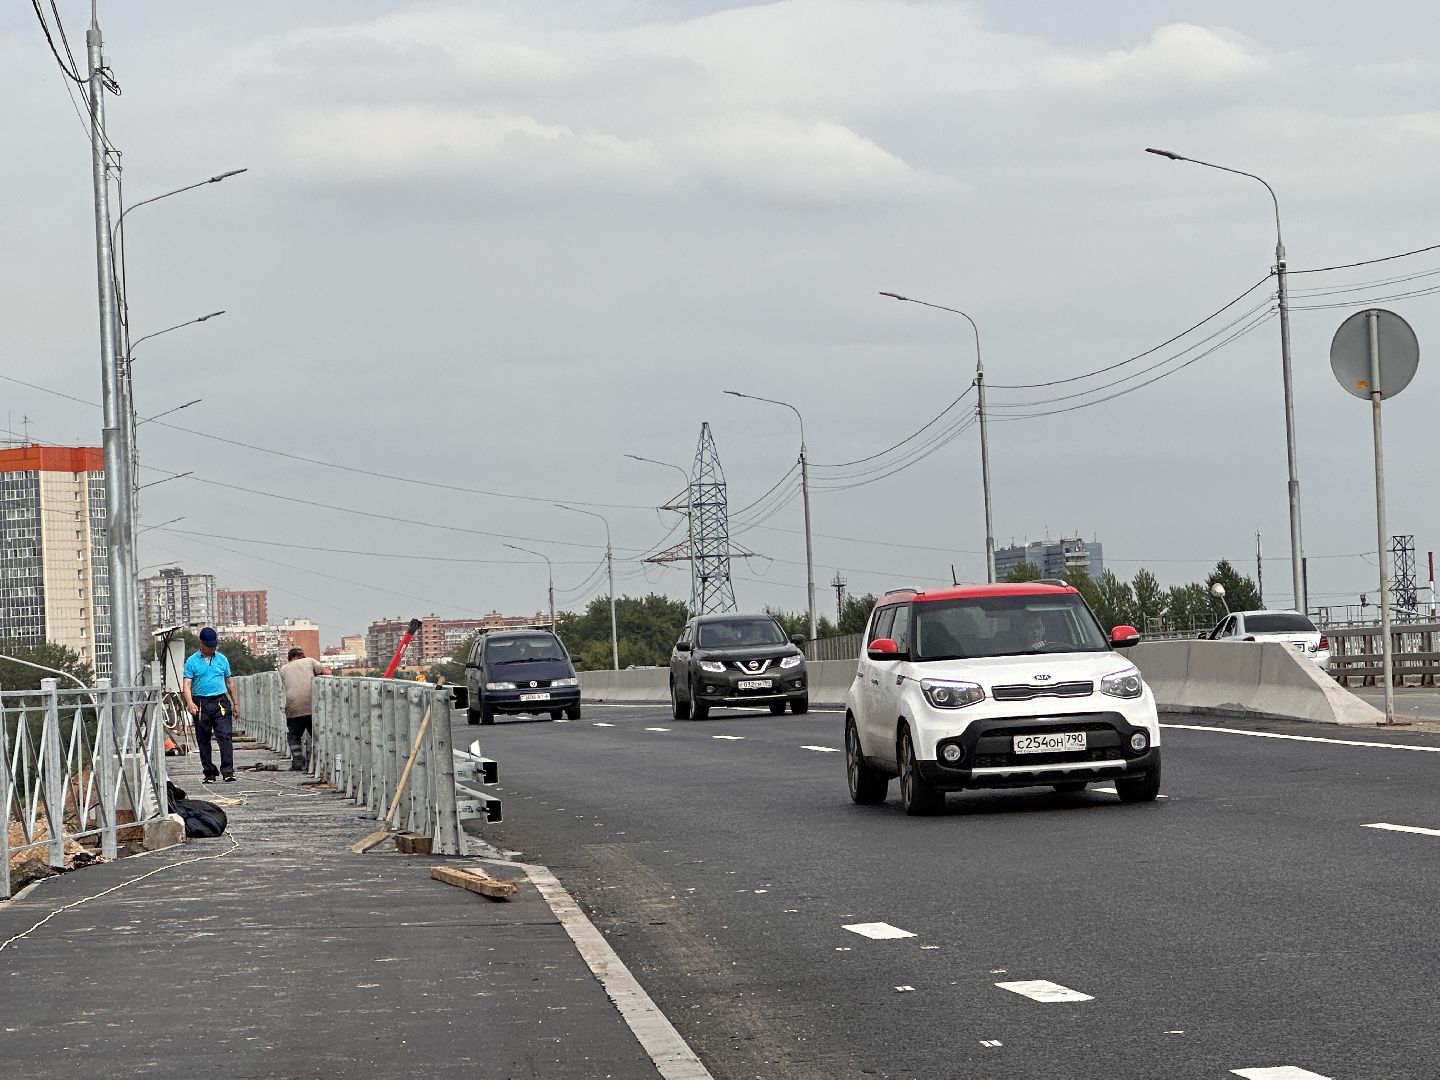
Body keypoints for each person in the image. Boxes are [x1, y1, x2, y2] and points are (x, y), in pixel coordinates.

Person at [183, 627, 239, 784]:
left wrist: (235, 703)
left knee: (225, 736)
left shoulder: (222, 659)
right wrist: (190, 703)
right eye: (208, 646)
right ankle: (209, 772)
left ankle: (228, 770)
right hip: (200, 702)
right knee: (203, 738)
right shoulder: (192, 661)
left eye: (214, 646)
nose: (211, 649)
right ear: (201, 643)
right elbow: (186, 685)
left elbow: (230, 682)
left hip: (220, 701)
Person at [279, 647, 331, 771]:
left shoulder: (283, 669)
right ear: (302, 655)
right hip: (312, 706)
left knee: (294, 735)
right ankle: (322, 763)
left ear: (289, 658)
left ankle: (297, 761)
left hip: (293, 707)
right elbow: (327, 673)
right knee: (316, 734)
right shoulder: (309, 661)